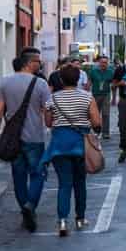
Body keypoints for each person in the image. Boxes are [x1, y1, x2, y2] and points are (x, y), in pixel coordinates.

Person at [0, 53, 52, 232]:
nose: (39, 65)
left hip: (13, 139)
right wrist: (50, 123)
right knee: (37, 173)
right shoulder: (40, 84)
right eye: (37, 62)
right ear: (28, 63)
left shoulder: (4, 82)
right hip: (34, 137)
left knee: (18, 175)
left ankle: (24, 207)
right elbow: (47, 109)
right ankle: (31, 205)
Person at [43, 65, 100, 236]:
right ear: (78, 79)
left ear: (60, 79)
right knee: (80, 183)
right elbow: (97, 122)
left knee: (64, 184)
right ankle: (80, 218)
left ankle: (62, 221)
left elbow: (48, 122)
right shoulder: (87, 97)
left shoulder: (53, 98)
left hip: (59, 145)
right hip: (80, 144)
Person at [86, 54, 116, 139]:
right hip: (95, 94)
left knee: (106, 114)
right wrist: (86, 93)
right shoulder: (93, 71)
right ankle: (96, 131)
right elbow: (89, 82)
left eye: (105, 63)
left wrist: (114, 98)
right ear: (99, 63)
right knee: (95, 114)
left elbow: (114, 85)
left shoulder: (111, 72)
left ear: (108, 63)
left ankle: (106, 133)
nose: (104, 64)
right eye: (102, 62)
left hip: (106, 94)